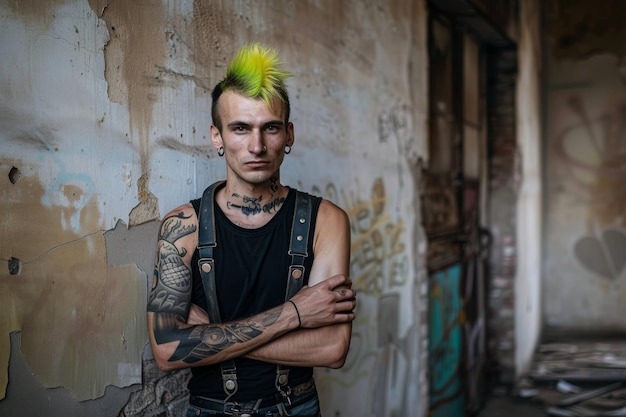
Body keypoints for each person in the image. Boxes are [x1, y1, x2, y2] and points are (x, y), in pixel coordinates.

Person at [147, 42, 356, 417]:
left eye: (270, 128)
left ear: (288, 135)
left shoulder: (327, 221)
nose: (256, 146)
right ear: (217, 137)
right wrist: (295, 314)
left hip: (295, 408)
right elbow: (165, 350)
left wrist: (211, 330)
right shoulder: (182, 227)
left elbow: (332, 349)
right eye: (240, 128)